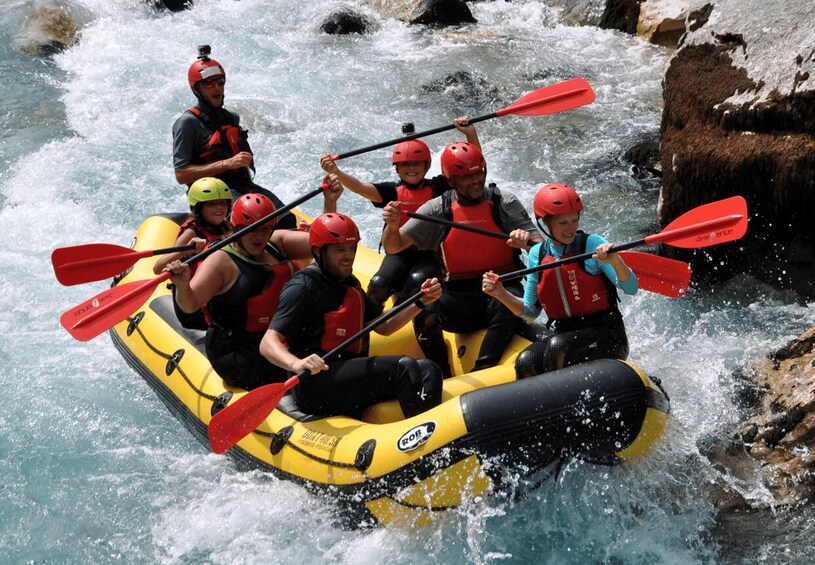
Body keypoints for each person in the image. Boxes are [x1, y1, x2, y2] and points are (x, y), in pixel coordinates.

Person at [260, 212, 444, 419]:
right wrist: (296, 364)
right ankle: (422, 441)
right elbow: (268, 342)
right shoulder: (302, 287)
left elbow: (384, 326)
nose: (349, 255)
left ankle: (435, 442)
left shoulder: (350, 284)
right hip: (315, 385)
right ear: (318, 251)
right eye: (339, 250)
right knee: (404, 368)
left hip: (349, 377)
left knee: (429, 369)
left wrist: (420, 302)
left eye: (352, 248)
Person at [381, 142, 542, 377]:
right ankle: (441, 374)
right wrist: (392, 226)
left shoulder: (503, 202)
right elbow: (393, 246)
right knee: (427, 312)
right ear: (450, 180)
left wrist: (526, 239)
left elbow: (542, 246)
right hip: (459, 294)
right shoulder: (437, 209)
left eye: (478, 173)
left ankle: (484, 369)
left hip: (502, 285)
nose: (475, 180)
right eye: (466, 177)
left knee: (505, 302)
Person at [164, 181, 341, 390]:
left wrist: (330, 202)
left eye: (266, 229)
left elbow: (325, 243)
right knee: (315, 373)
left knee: (332, 352)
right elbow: (190, 305)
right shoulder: (220, 261)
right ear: (237, 228)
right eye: (252, 229)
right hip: (235, 350)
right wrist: (183, 285)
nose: (259, 236)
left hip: (276, 336)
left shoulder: (278, 243)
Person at [318, 116, 480, 308]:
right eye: (405, 164)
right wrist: (336, 171)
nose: (411, 169)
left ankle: (405, 315)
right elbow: (360, 187)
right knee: (379, 285)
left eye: (417, 163)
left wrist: (470, 133)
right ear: (397, 168)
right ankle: (367, 322)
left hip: (430, 254)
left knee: (417, 281)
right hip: (398, 253)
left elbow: (470, 166)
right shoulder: (390, 191)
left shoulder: (439, 187)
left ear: (427, 165)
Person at [481, 183, 638, 378]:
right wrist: (500, 293)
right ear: (545, 223)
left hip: (606, 334)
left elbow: (631, 288)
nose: (571, 229)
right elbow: (530, 312)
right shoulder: (537, 255)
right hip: (565, 334)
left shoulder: (592, 245)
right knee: (526, 360)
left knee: (558, 347)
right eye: (563, 223)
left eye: (574, 220)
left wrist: (615, 260)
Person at [172, 45, 296, 229]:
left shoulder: (230, 118)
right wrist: (227, 164)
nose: (217, 88)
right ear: (196, 89)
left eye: (220, 82)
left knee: (286, 219)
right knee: (252, 225)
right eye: (209, 83)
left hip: (243, 187)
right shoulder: (188, 123)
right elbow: (182, 175)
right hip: (213, 197)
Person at [153, 177, 232, 330]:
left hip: (214, 291)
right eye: (211, 204)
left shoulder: (226, 226)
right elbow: (158, 267)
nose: (219, 208)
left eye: (222, 203)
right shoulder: (192, 232)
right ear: (199, 208)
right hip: (192, 303)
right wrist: (185, 251)